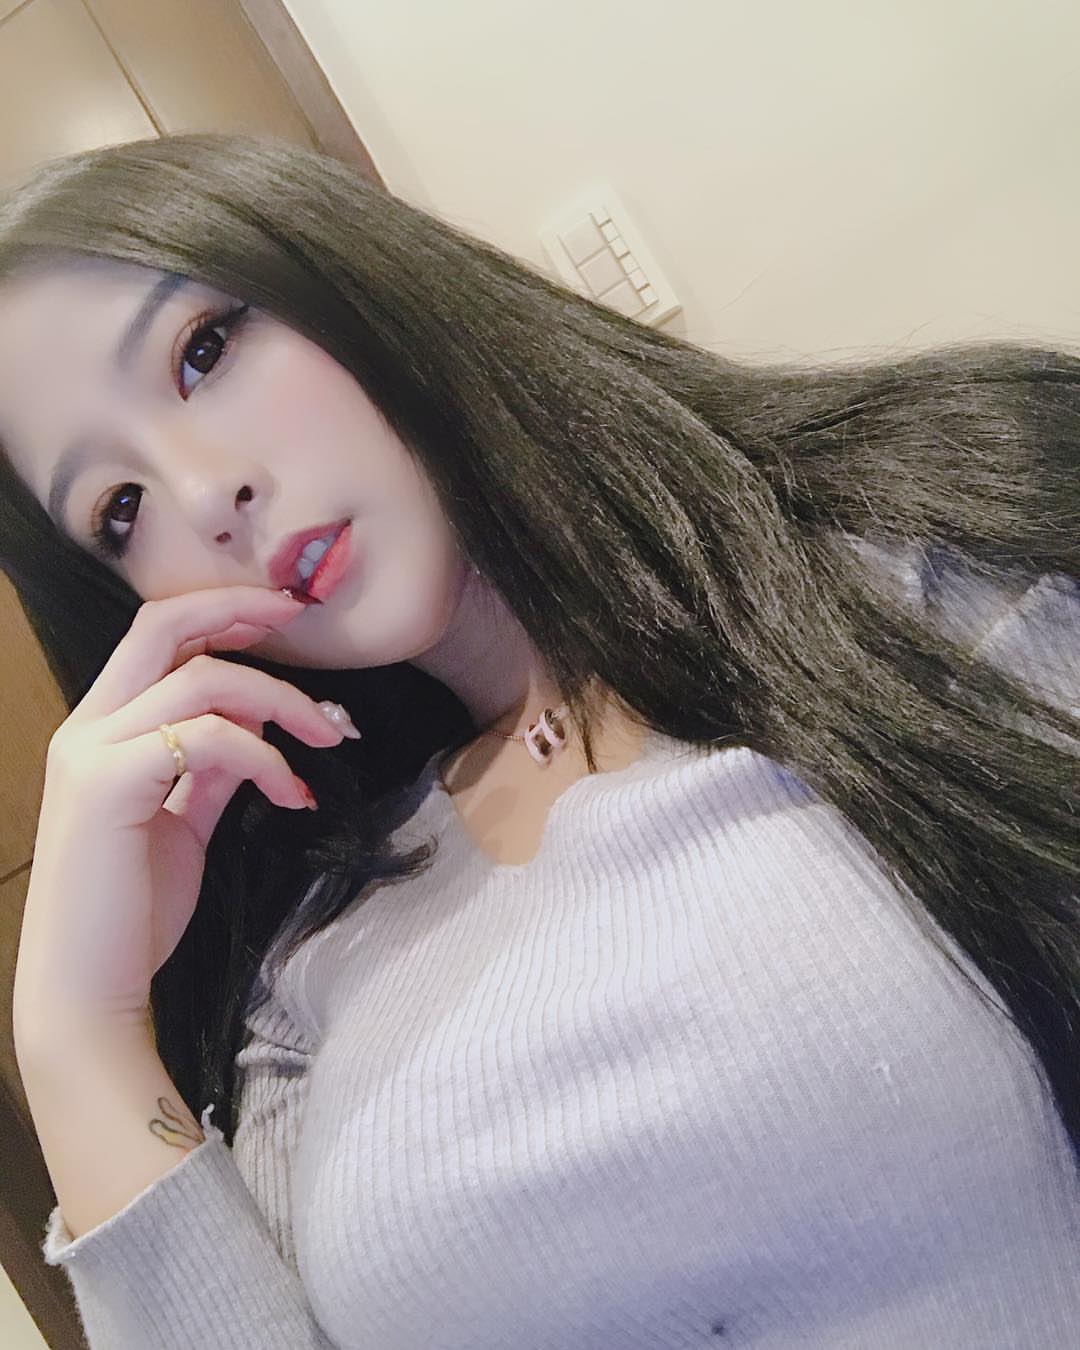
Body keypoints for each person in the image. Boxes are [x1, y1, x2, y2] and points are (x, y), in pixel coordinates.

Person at [0, 132, 1076, 1349]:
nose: (205, 496)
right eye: (120, 510)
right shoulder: (309, 983)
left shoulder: (930, 577)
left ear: (343, 271)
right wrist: (80, 1036)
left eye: (204, 350)